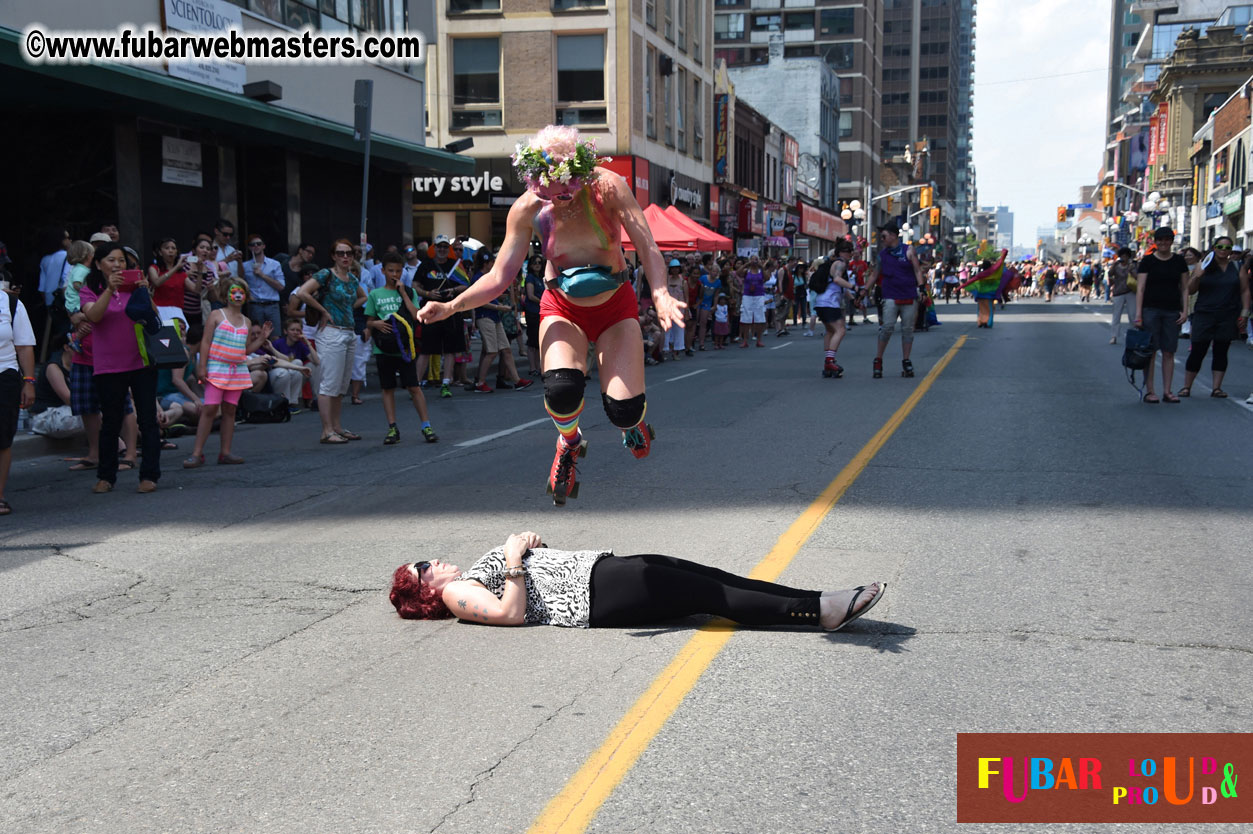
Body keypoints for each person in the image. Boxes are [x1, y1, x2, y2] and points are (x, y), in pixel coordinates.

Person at [417, 125, 685, 505]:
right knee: (561, 391)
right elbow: (498, 276)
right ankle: (569, 444)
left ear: (582, 172)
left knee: (622, 411)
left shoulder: (607, 187)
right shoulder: (528, 208)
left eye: (565, 189)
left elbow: (648, 247)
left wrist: (659, 294)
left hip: (614, 306)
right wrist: (451, 306)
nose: (558, 199)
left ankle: (633, 424)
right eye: (547, 192)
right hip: (562, 306)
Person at [389, 531, 887, 631]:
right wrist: (516, 556)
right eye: (422, 567)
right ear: (424, 591)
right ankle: (818, 614)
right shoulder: (455, 596)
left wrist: (530, 550)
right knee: (713, 595)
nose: (433, 562)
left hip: (601, 573)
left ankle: (819, 598)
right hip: (599, 595)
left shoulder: (463, 579)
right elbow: (509, 613)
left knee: (715, 578)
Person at [79, 242, 163, 493]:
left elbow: (154, 318)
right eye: (111, 260)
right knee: (111, 421)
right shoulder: (89, 290)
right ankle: (106, 476)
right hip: (108, 366)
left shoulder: (135, 288)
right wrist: (110, 290)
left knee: (147, 420)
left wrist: (145, 293)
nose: (117, 265)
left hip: (141, 361)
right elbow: (93, 316)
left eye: (122, 261)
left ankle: (149, 475)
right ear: (98, 264)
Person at [183, 278, 271, 467]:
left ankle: (225, 452)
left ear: (246, 296)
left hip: (237, 370)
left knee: (230, 410)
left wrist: (262, 338)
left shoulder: (247, 322)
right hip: (217, 367)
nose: (238, 295)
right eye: (234, 291)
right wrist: (202, 366)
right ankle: (197, 453)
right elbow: (205, 342)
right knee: (210, 409)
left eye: (241, 292)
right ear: (226, 294)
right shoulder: (216, 315)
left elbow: (246, 350)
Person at [295, 238, 366, 444]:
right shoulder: (326, 274)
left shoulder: (352, 279)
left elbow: (363, 297)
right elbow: (302, 293)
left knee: (341, 385)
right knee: (329, 383)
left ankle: (336, 427)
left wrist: (345, 309)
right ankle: (326, 430)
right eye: (341, 253)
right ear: (334, 256)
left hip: (348, 332)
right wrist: (324, 310)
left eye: (349, 253)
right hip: (331, 333)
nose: (345, 257)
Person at [364, 252, 438, 444]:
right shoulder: (375, 294)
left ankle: (426, 425)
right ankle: (392, 427)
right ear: (383, 271)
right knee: (388, 388)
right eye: (390, 270)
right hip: (384, 349)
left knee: (414, 387)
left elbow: (416, 316)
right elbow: (368, 322)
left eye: (398, 270)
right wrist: (376, 325)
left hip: (405, 349)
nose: (394, 274)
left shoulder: (409, 292)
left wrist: (404, 292)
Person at [1179, 238, 1249, 399]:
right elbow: (1189, 290)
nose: (1223, 250)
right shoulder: (1203, 265)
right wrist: (1197, 276)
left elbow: (1245, 290)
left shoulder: (1238, 267)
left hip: (1228, 314)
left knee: (1221, 350)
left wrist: (1244, 312)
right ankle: (1186, 387)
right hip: (1205, 313)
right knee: (1198, 350)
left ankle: (1216, 388)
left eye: (1227, 247)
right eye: (1220, 246)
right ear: (1213, 248)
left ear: (1231, 249)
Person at [860, 222, 924, 378]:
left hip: (909, 295)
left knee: (907, 329)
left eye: (884, 236)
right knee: (887, 327)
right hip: (890, 295)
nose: (881, 239)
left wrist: (922, 288)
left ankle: (906, 360)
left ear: (894, 236)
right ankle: (878, 359)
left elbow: (917, 270)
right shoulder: (882, 255)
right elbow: (874, 275)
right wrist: (863, 290)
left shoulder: (908, 251)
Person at [1135, 227, 1189, 404]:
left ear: (1172, 241)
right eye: (1160, 240)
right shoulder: (1148, 261)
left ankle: (1167, 391)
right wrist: (1138, 314)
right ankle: (1150, 391)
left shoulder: (1179, 261)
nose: (1164, 243)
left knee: (1169, 351)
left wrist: (1185, 310)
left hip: (1172, 310)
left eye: (1167, 240)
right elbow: (1140, 288)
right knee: (1150, 351)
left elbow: (1185, 288)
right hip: (1150, 310)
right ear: (1155, 242)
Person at [412, 235, 471, 400]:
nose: (442, 250)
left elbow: (465, 285)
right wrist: (428, 293)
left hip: (450, 311)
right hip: (430, 311)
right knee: (426, 350)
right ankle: (415, 386)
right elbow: (415, 285)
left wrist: (453, 291)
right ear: (434, 248)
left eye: (445, 247)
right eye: (439, 247)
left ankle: (446, 383)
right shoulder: (426, 265)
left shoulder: (455, 265)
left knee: (450, 349)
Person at [1, 284, 37, 515]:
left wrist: (29, 381)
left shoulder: (10, 303)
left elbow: (24, 346)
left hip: (5, 376)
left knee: (2, 439)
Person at [812, 242, 857, 378]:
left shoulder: (834, 263)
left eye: (851, 251)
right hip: (829, 303)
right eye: (848, 251)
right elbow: (837, 280)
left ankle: (828, 363)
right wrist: (854, 287)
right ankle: (829, 361)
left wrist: (854, 299)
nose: (850, 254)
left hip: (821, 302)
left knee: (830, 331)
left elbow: (839, 288)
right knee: (841, 330)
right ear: (841, 253)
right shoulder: (840, 264)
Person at [269, 319, 319, 412]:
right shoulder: (278, 343)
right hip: (278, 377)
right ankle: (286, 402)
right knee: (297, 363)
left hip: (293, 377)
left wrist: (308, 343)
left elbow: (316, 361)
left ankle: (316, 399)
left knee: (312, 366)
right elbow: (273, 362)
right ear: (285, 331)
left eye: (298, 330)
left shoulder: (300, 344)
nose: (296, 332)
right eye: (292, 330)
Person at [241, 233, 285, 335]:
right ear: (249, 248)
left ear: (263, 246)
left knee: (275, 336)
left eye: (258, 244)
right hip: (255, 305)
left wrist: (262, 275)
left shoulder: (274, 264)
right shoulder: (245, 266)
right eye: (252, 244)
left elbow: (281, 286)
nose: (256, 246)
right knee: (256, 336)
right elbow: (240, 284)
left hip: (272, 305)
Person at [146, 238, 190, 326]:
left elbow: (196, 290)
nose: (171, 251)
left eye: (173, 248)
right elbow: (156, 282)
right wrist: (176, 267)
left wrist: (200, 270)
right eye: (167, 248)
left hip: (178, 311)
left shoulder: (181, 273)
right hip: (159, 309)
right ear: (160, 252)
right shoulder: (154, 268)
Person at [523, 254, 546, 375]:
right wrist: (544, 302)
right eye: (535, 263)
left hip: (540, 312)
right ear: (531, 265)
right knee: (532, 340)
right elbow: (530, 296)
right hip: (532, 312)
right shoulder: (530, 278)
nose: (537, 264)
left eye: (539, 262)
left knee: (538, 340)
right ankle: (532, 368)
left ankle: (538, 367)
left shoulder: (540, 278)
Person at [1108, 247, 1136, 345]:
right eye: (1122, 255)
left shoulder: (1132, 265)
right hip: (1118, 292)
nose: (1124, 257)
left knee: (1132, 315)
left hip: (1130, 291)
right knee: (1116, 315)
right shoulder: (1116, 265)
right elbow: (1110, 274)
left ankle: (1133, 336)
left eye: (1126, 256)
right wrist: (1113, 266)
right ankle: (1114, 336)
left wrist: (1131, 270)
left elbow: (1137, 277)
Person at [739, 255, 767, 348]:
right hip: (748, 295)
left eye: (756, 259)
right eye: (752, 259)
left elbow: (766, 278)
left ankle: (759, 339)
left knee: (759, 317)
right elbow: (738, 273)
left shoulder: (760, 270)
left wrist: (761, 266)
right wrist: (746, 264)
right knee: (746, 317)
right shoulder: (746, 270)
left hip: (759, 295)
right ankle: (745, 340)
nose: (754, 261)